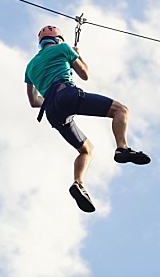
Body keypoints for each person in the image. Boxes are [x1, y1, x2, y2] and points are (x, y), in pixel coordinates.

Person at [25, 25, 150, 213]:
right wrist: (77, 54)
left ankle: (79, 184)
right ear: (58, 39)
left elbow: (34, 102)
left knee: (87, 149)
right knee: (121, 110)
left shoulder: (30, 66)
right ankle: (122, 148)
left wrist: (53, 98)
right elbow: (84, 74)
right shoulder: (64, 48)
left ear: (41, 44)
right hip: (67, 94)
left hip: (51, 111)